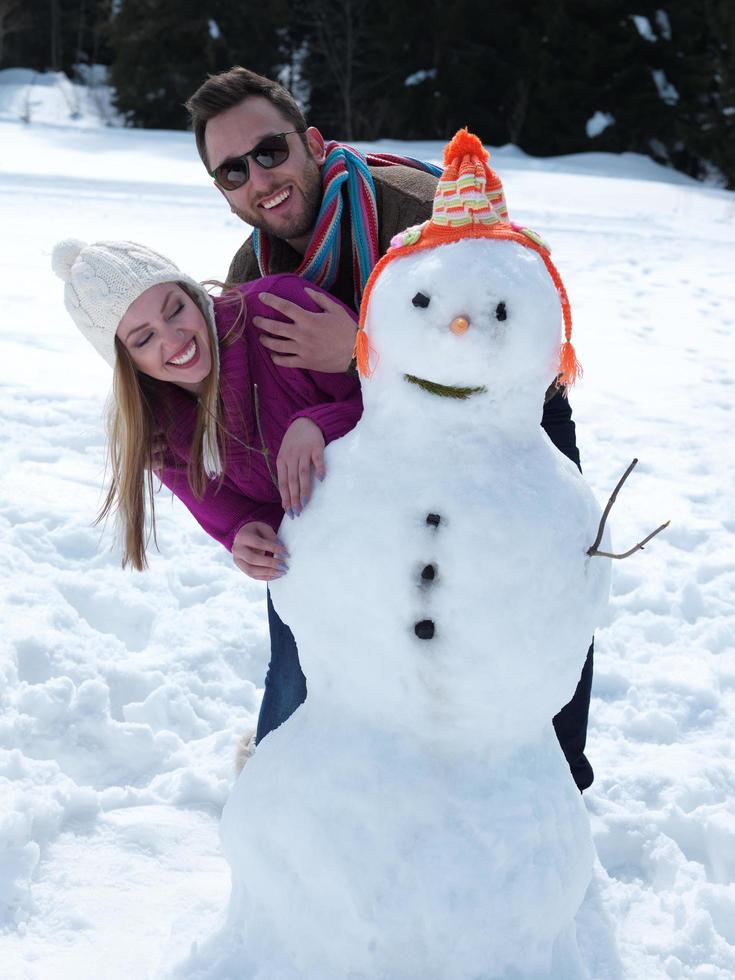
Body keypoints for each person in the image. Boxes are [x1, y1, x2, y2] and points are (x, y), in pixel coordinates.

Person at [186, 67, 596, 790]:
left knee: (535, 576)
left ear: (311, 142)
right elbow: (244, 424)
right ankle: (291, 770)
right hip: (364, 436)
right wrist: (242, 523)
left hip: (503, 415)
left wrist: (358, 350)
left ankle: (551, 779)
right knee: (312, 570)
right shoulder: (250, 269)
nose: (259, 178)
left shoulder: (420, 217)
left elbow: (509, 341)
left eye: (271, 151)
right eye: (232, 170)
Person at [51, 240, 363, 753]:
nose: (174, 339)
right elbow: (221, 506)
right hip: (317, 563)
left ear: (192, 292)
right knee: (292, 693)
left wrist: (320, 423)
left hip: (408, 528)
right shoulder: (157, 426)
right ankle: (278, 798)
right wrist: (243, 532)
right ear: (125, 361)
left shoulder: (276, 313)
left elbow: (400, 399)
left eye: (175, 308)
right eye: (144, 337)